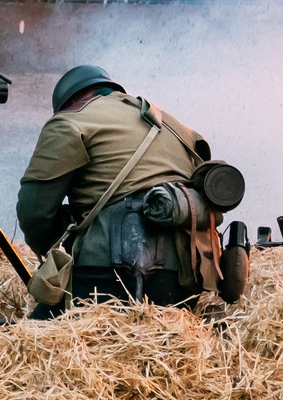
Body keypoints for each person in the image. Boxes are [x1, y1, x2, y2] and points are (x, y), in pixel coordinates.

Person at [15, 63, 224, 312]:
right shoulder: (178, 128)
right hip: (183, 273)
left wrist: (52, 248)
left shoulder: (70, 122)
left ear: (70, 101)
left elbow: (34, 212)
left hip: (106, 272)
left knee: (39, 337)